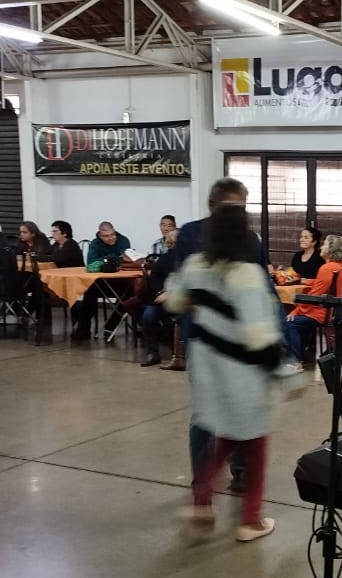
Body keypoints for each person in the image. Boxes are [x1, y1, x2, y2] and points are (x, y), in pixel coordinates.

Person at [166, 203, 280, 542]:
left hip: (207, 369)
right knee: (255, 447)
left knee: (225, 438)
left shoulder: (195, 266)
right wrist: (282, 371)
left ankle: (202, 502)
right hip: (243, 375)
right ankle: (250, 521)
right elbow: (259, 336)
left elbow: (174, 301)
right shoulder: (248, 275)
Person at [283, 234, 342, 370]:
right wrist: (310, 281)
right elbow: (329, 285)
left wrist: (296, 311)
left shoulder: (327, 268)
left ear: (331, 249)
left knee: (291, 323)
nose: (321, 247)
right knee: (301, 323)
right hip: (337, 311)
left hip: (324, 312)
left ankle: (295, 361)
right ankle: (301, 357)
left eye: (325, 244)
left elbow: (314, 295)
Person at [71, 222, 131, 341]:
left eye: (113, 234)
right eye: (107, 236)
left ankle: (110, 327)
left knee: (130, 294)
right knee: (90, 290)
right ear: (100, 235)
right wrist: (111, 259)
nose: (111, 238)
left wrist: (104, 261)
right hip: (102, 282)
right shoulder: (95, 243)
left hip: (122, 282)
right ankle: (83, 328)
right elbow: (91, 263)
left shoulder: (123, 240)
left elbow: (124, 260)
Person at [139, 229, 178, 367]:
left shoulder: (187, 260)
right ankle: (153, 352)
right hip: (163, 301)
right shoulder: (163, 259)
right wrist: (160, 292)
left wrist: (169, 293)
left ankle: (178, 353)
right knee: (148, 315)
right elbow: (154, 279)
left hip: (182, 301)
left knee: (159, 316)